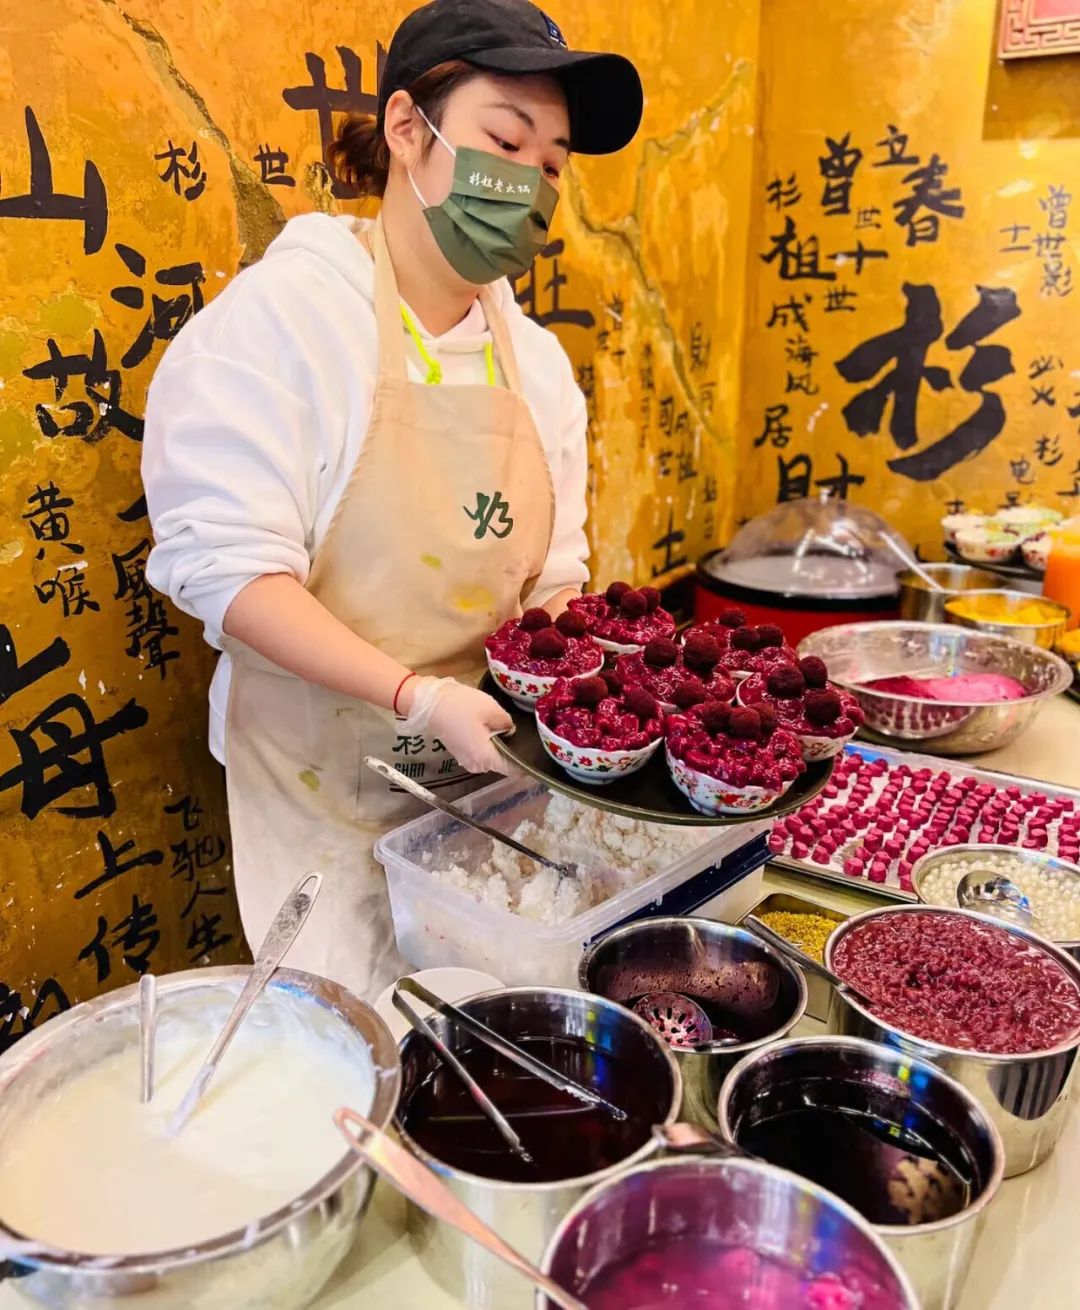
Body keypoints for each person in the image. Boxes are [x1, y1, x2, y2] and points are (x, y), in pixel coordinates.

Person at [142, 0, 643, 998]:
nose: (531, 182)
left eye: (553, 164)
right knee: (359, 1051)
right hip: (325, 789)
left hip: (496, 794)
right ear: (409, 129)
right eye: (506, 139)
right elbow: (230, 571)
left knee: (493, 1031)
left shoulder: (537, 367)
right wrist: (415, 695)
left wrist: (605, 695)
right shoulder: (283, 323)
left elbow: (555, 581)